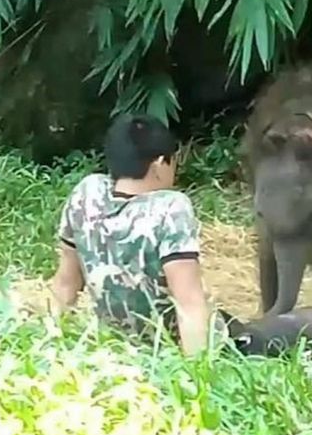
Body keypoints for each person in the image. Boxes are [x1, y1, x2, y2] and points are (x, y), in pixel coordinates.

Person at [49, 113, 218, 355]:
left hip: (111, 349)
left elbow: (65, 284)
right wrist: (197, 378)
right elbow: (188, 303)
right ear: (160, 164)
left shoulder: (87, 195)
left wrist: (55, 346)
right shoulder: (170, 208)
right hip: (164, 352)